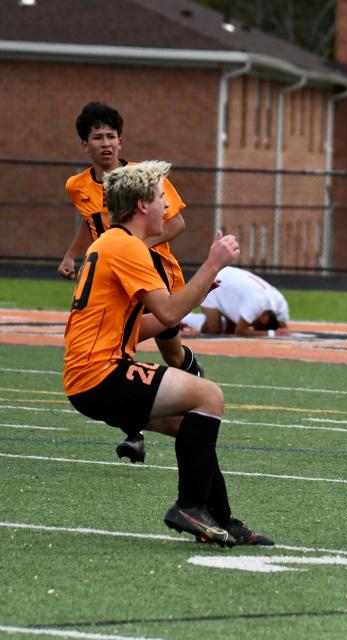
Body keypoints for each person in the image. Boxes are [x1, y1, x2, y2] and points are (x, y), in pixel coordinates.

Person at [63, 161, 273, 546]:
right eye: (161, 198)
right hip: (100, 374)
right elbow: (173, 313)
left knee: (188, 423)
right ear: (142, 205)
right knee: (209, 395)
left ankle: (221, 521)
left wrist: (199, 289)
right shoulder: (126, 246)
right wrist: (212, 264)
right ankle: (190, 507)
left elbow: (140, 326)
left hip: (90, 374)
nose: (166, 206)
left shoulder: (111, 243)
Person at [59, 102, 202, 465]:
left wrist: (133, 246)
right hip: (113, 281)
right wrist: (71, 255)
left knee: (172, 351)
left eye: (111, 136)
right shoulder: (77, 186)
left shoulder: (145, 176)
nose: (105, 143)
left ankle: (194, 383)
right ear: (84, 145)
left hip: (153, 271)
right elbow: (89, 225)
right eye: (97, 137)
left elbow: (176, 224)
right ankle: (135, 432)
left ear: (121, 142)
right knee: (115, 344)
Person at [181, 266, 290, 337]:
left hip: (227, 282)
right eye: (253, 324)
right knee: (213, 330)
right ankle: (186, 318)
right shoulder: (257, 302)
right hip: (214, 281)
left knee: (230, 329)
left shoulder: (281, 304)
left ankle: (219, 319)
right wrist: (271, 333)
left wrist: (282, 331)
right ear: (264, 318)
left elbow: (283, 327)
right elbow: (240, 331)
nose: (250, 324)